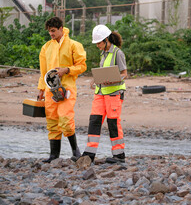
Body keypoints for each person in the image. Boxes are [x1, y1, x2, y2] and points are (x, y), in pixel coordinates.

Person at [37, 16, 87, 163]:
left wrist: (67, 70)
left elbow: (82, 66)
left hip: (67, 88)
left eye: (53, 31)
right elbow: (43, 71)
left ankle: (76, 152)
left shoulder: (74, 45)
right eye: (49, 32)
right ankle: (54, 156)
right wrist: (41, 89)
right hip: (50, 89)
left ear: (60, 28)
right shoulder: (46, 47)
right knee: (52, 120)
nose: (51, 34)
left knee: (65, 119)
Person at [81, 24, 127, 164]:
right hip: (100, 92)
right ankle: (89, 154)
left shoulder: (118, 53)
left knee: (113, 122)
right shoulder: (103, 53)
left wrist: (112, 80)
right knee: (94, 121)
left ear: (106, 40)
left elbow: (124, 73)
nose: (97, 45)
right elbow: (104, 71)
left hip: (114, 93)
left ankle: (119, 155)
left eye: (99, 42)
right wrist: (95, 79)